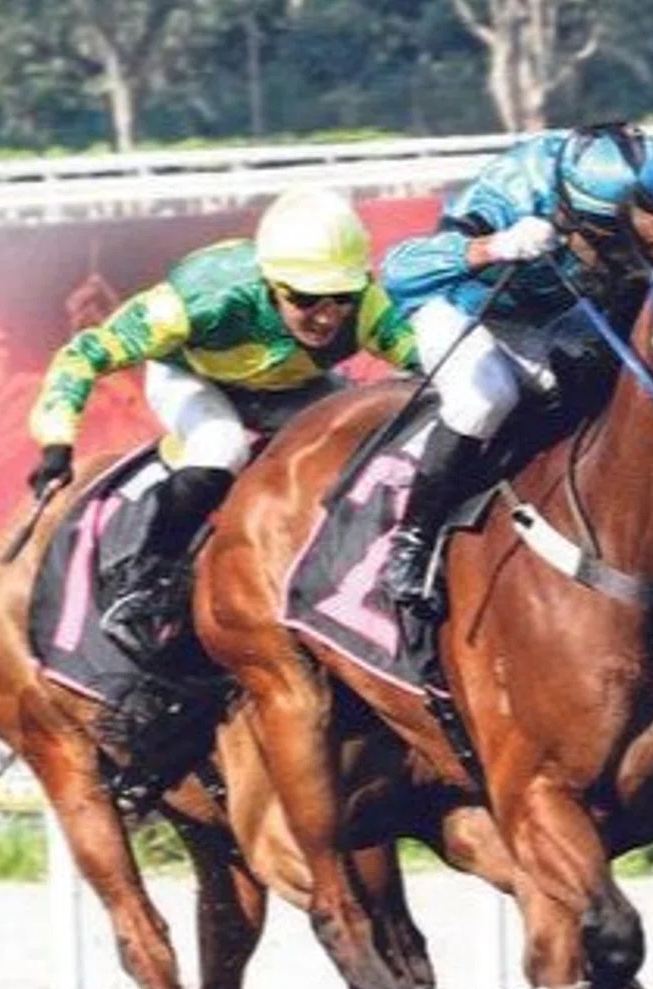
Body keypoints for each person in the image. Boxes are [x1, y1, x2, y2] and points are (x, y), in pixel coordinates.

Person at [25, 185, 419, 655]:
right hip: (194, 378)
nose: (325, 317)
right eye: (306, 299)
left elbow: (434, 363)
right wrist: (56, 443)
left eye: (341, 297)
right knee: (221, 444)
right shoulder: (203, 300)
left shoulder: (371, 310)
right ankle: (144, 578)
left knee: (367, 441)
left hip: (294, 387)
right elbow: (83, 355)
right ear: (272, 283)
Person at [377, 120, 653, 614]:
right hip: (464, 306)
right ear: (565, 204)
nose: (618, 252)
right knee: (485, 399)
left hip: (556, 315)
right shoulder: (511, 189)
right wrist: (492, 247)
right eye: (606, 235)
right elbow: (398, 268)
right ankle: (412, 543)